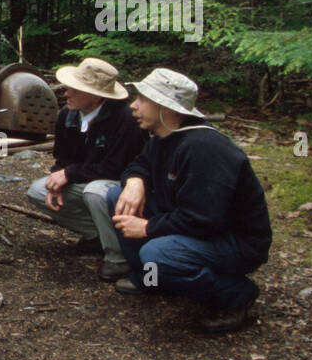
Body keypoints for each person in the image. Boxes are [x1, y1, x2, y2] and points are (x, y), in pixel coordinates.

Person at [103, 68, 272, 334]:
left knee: (157, 253)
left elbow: (204, 219)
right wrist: (135, 181)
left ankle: (236, 295)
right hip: (199, 225)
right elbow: (139, 164)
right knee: (116, 196)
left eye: (142, 99)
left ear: (165, 107)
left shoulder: (205, 148)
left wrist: (147, 228)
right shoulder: (165, 135)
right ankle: (152, 278)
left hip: (235, 241)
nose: (134, 105)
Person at [25, 57, 145, 280]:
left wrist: (69, 174)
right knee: (38, 190)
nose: (67, 94)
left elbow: (115, 167)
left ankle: (118, 257)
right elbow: (62, 157)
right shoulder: (67, 115)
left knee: (96, 192)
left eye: (75, 90)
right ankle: (98, 235)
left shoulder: (125, 120)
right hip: (87, 178)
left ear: (96, 96)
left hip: (122, 187)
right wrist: (57, 178)